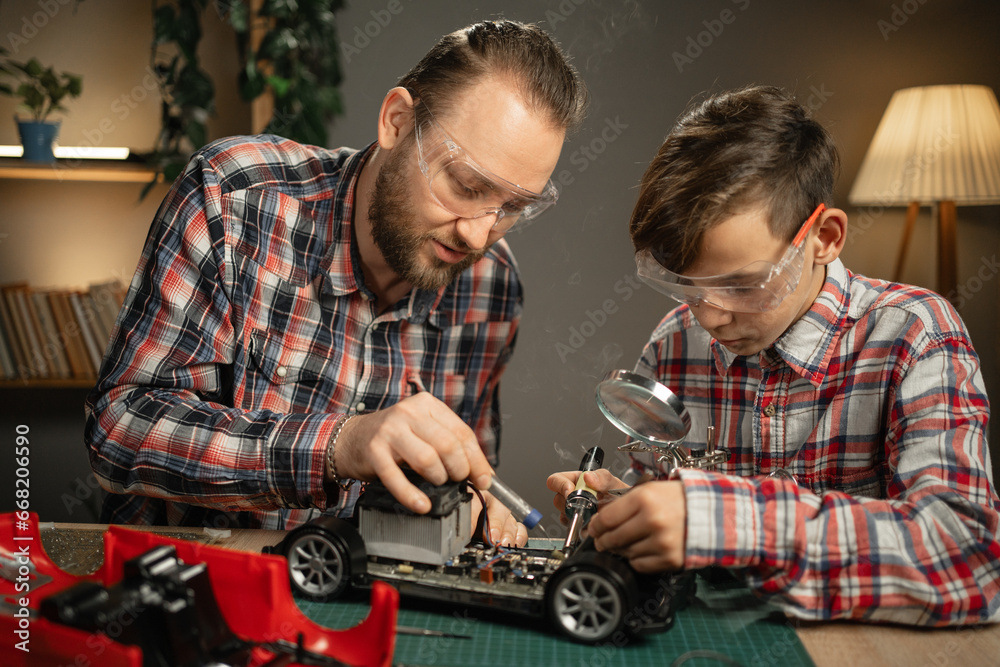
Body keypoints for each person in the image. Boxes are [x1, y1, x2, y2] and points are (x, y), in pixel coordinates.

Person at [85, 19, 588, 544]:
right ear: (396, 122)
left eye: (512, 207)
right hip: (190, 592)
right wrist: (337, 446)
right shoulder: (233, 200)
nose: (479, 234)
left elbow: (465, 471)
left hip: (363, 603)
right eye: (465, 186)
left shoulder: (492, 283)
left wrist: (478, 507)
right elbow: (116, 431)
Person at [548, 85, 999, 625]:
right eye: (687, 288)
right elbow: (673, 530)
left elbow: (969, 559)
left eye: (741, 285)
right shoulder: (674, 345)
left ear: (824, 238)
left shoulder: (915, 336)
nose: (709, 318)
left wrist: (728, 521)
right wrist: (626, 516)